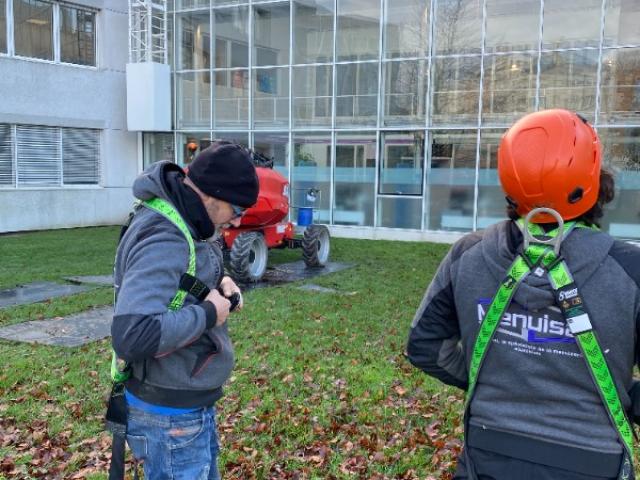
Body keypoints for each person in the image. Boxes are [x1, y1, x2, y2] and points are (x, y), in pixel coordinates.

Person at [406, 109, 640, 480]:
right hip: (591, 459)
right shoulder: (630, 271)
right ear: (594, 180)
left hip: (488, 453)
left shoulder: (469, 255)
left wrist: (492, 379)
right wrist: (624, 398)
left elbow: (425, 346)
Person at [109, 141, 259, 480]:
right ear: (209, 196)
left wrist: (219, 281)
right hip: (170, 416)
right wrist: (208, 313)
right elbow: (133, 335)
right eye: (237, 209)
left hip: (186, 405)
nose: (238, 220)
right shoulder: (166, 235)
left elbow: (178, 277)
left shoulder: (187, 221)